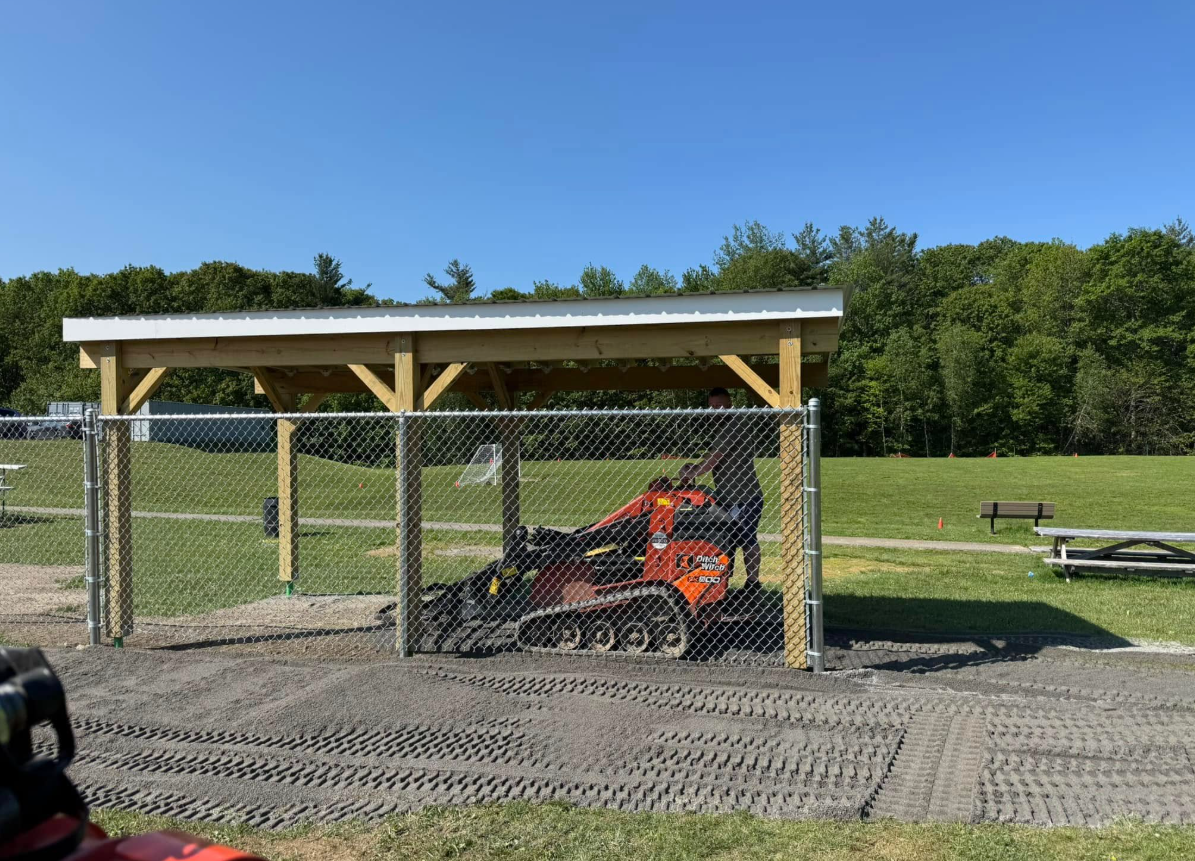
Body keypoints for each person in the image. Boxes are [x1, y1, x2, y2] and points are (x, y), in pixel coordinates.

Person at [677, 388, 763, 602]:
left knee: (746, 537)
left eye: (720, 406)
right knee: (728, 538)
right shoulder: (724, 426)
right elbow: (712, 458)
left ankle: (753, 584)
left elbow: (714, 458)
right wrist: (695, 467)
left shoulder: (733, 425)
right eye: (712, 406)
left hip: (744, 496)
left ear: (730, 404)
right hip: (729, 495)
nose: (716, 410)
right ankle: (723, 583)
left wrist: (694, 471)